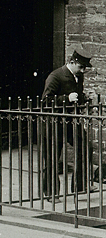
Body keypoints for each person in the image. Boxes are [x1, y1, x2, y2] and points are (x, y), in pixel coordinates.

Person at [41, 47, 92, 196]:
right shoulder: (55, 76)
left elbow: (77, 96)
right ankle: (50, 192)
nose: (82, 71)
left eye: (84, 68)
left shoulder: (78, 76)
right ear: (72, 62)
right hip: (54, 122)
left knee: (84, 147)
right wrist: (66, 98)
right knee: (52, 157)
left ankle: (79, 187)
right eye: (81, 67)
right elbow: (45, 101)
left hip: (71, 121)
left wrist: (84, 98)